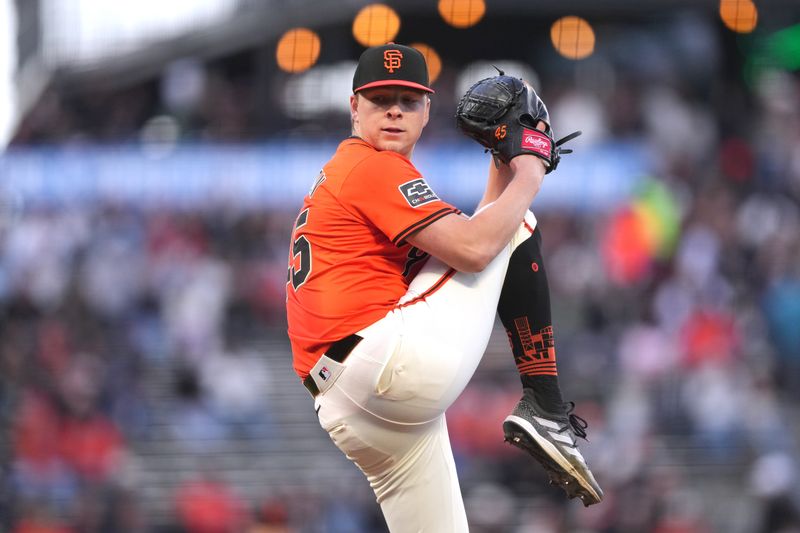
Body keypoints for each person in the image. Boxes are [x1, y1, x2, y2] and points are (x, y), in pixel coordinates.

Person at [286, 43, 602, 532]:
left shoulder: (363, 173)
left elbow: (480, 231)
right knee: (519, 226)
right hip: (378, 365)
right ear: (354, 108)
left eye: (408, 101)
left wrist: (504, 156)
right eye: (379, 99)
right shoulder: (371, 166)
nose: (394, 110)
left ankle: (545, 410)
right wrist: (530, 168)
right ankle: (546, 405)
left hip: (354, 405)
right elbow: (480, 247)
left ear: (427, 109)